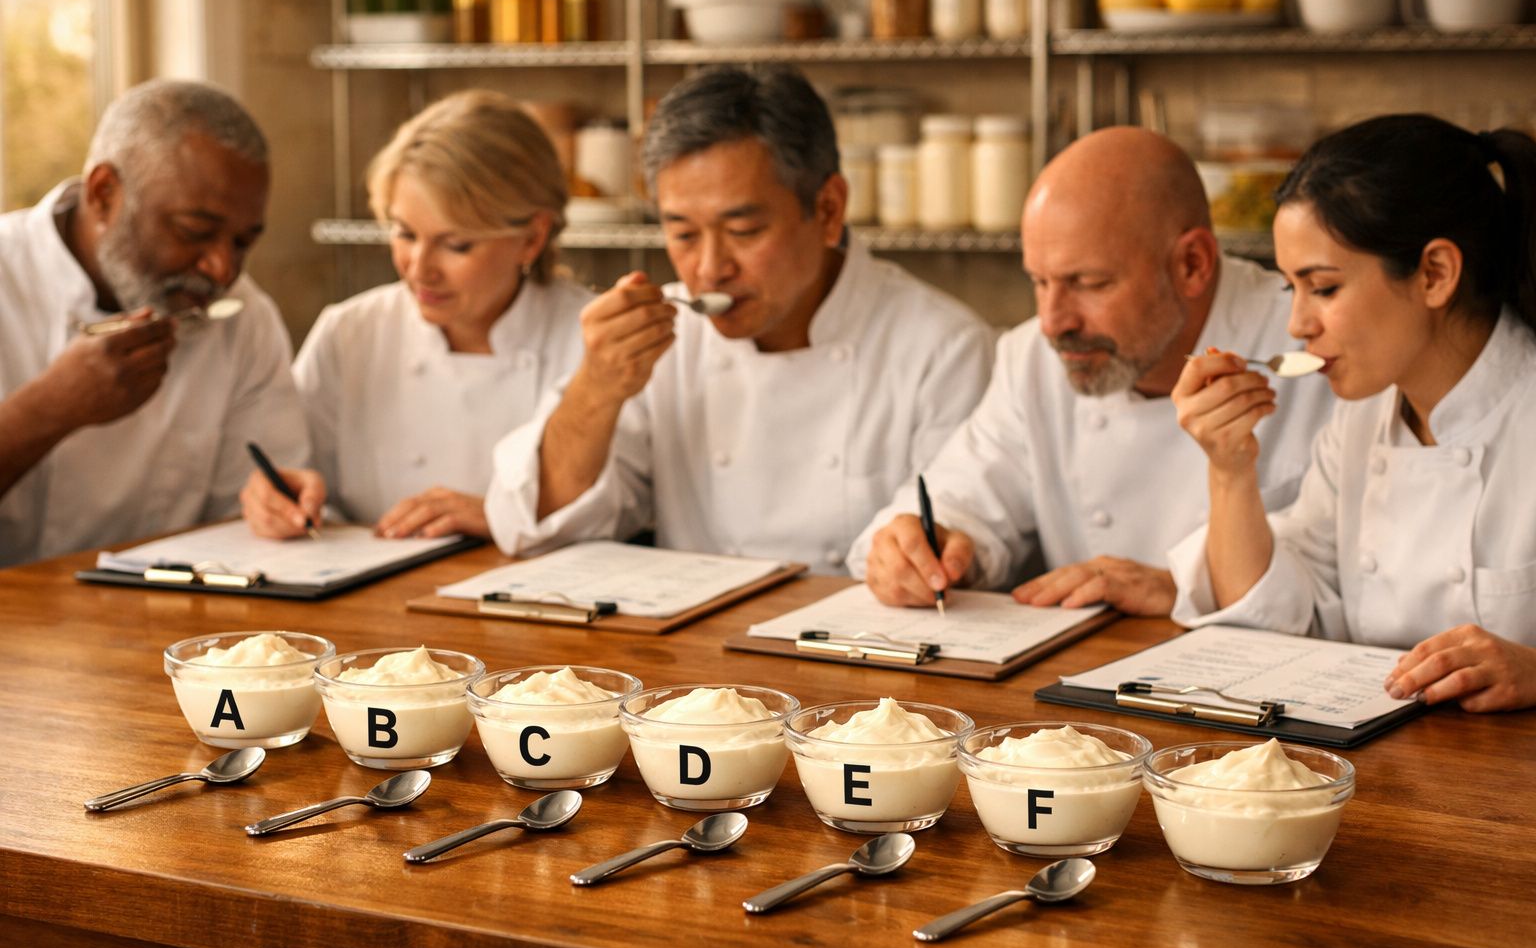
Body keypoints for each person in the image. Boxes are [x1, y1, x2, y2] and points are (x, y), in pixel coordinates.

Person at [484, 63, 993, 574]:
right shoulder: (662, 340)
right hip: (688, 646)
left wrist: (919, 561)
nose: (709, 269)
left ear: (829, 208)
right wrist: (595, 389)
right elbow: (529, 526)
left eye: (744, 230)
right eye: (682, 234)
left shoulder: (943, 349)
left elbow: (954, 534)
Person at [850, 126, 1335, 615]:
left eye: (1088, 283)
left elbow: (1346, 580)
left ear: (1192, 263)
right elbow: (963, 492)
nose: (1053, 321)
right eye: (1039, 281)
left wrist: (1183, 588)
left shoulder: (1316, 346)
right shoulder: (1033, 357)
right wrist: (929, 546)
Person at [1170, 114, 1536, 712]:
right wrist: (1230, 471)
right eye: (1293, 288)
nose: (1297, 325)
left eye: (1324, 287)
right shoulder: (1362, 422)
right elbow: (1274, 627)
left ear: (1435, 274)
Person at [241, 90, 585, 540]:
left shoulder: (590, 338)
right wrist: (275, 497)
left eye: (456, 245)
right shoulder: (351, 333)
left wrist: (502, 519)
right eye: (404, 233)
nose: (419, 269)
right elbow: (288, 468)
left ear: (532, 237)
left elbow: (624, 510)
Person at [0, 79, 307, 567]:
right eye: (194, 232)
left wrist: (273, 507)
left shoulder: (245, 318)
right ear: (104, 194)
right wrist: (48, 409)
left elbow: (250, 522)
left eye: (243, 242)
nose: (222, 270)